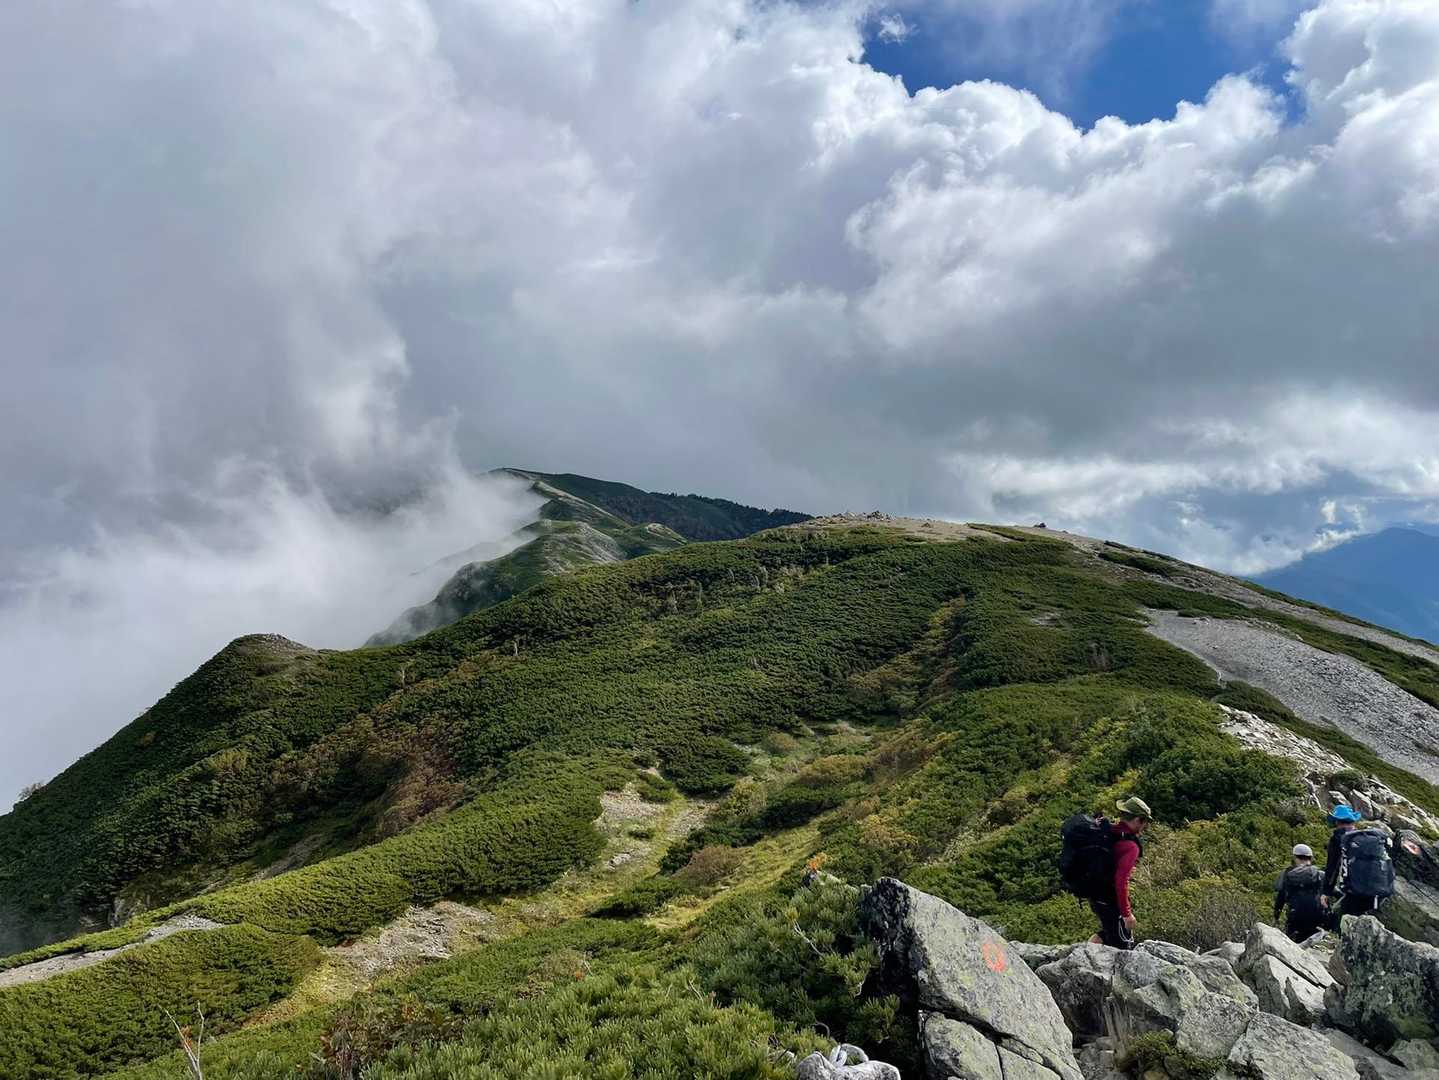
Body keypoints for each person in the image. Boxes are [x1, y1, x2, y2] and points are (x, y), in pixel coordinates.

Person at [1087, 796, 1152, 950]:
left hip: (1094, 893)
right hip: (1109, 898)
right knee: (1122, 946)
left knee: (1108, 932)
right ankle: (1083, 960)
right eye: (1144, 822)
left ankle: (1085, 953)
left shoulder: (1109, 831)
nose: (1145, 826)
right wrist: (1126, 914)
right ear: (1137, 820)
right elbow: (1121, 881)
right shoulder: (1130, 846)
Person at [1274, 843, 1326, 942]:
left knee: (1293, 945)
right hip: (1316, 918)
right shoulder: (1320, 874)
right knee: (1314, 945)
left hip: (1295, 917)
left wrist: (1276, 917)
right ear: (1311, 858)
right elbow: (1335, 892)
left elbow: (1280, 898)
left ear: (1295, 857)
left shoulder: (1286, 874)